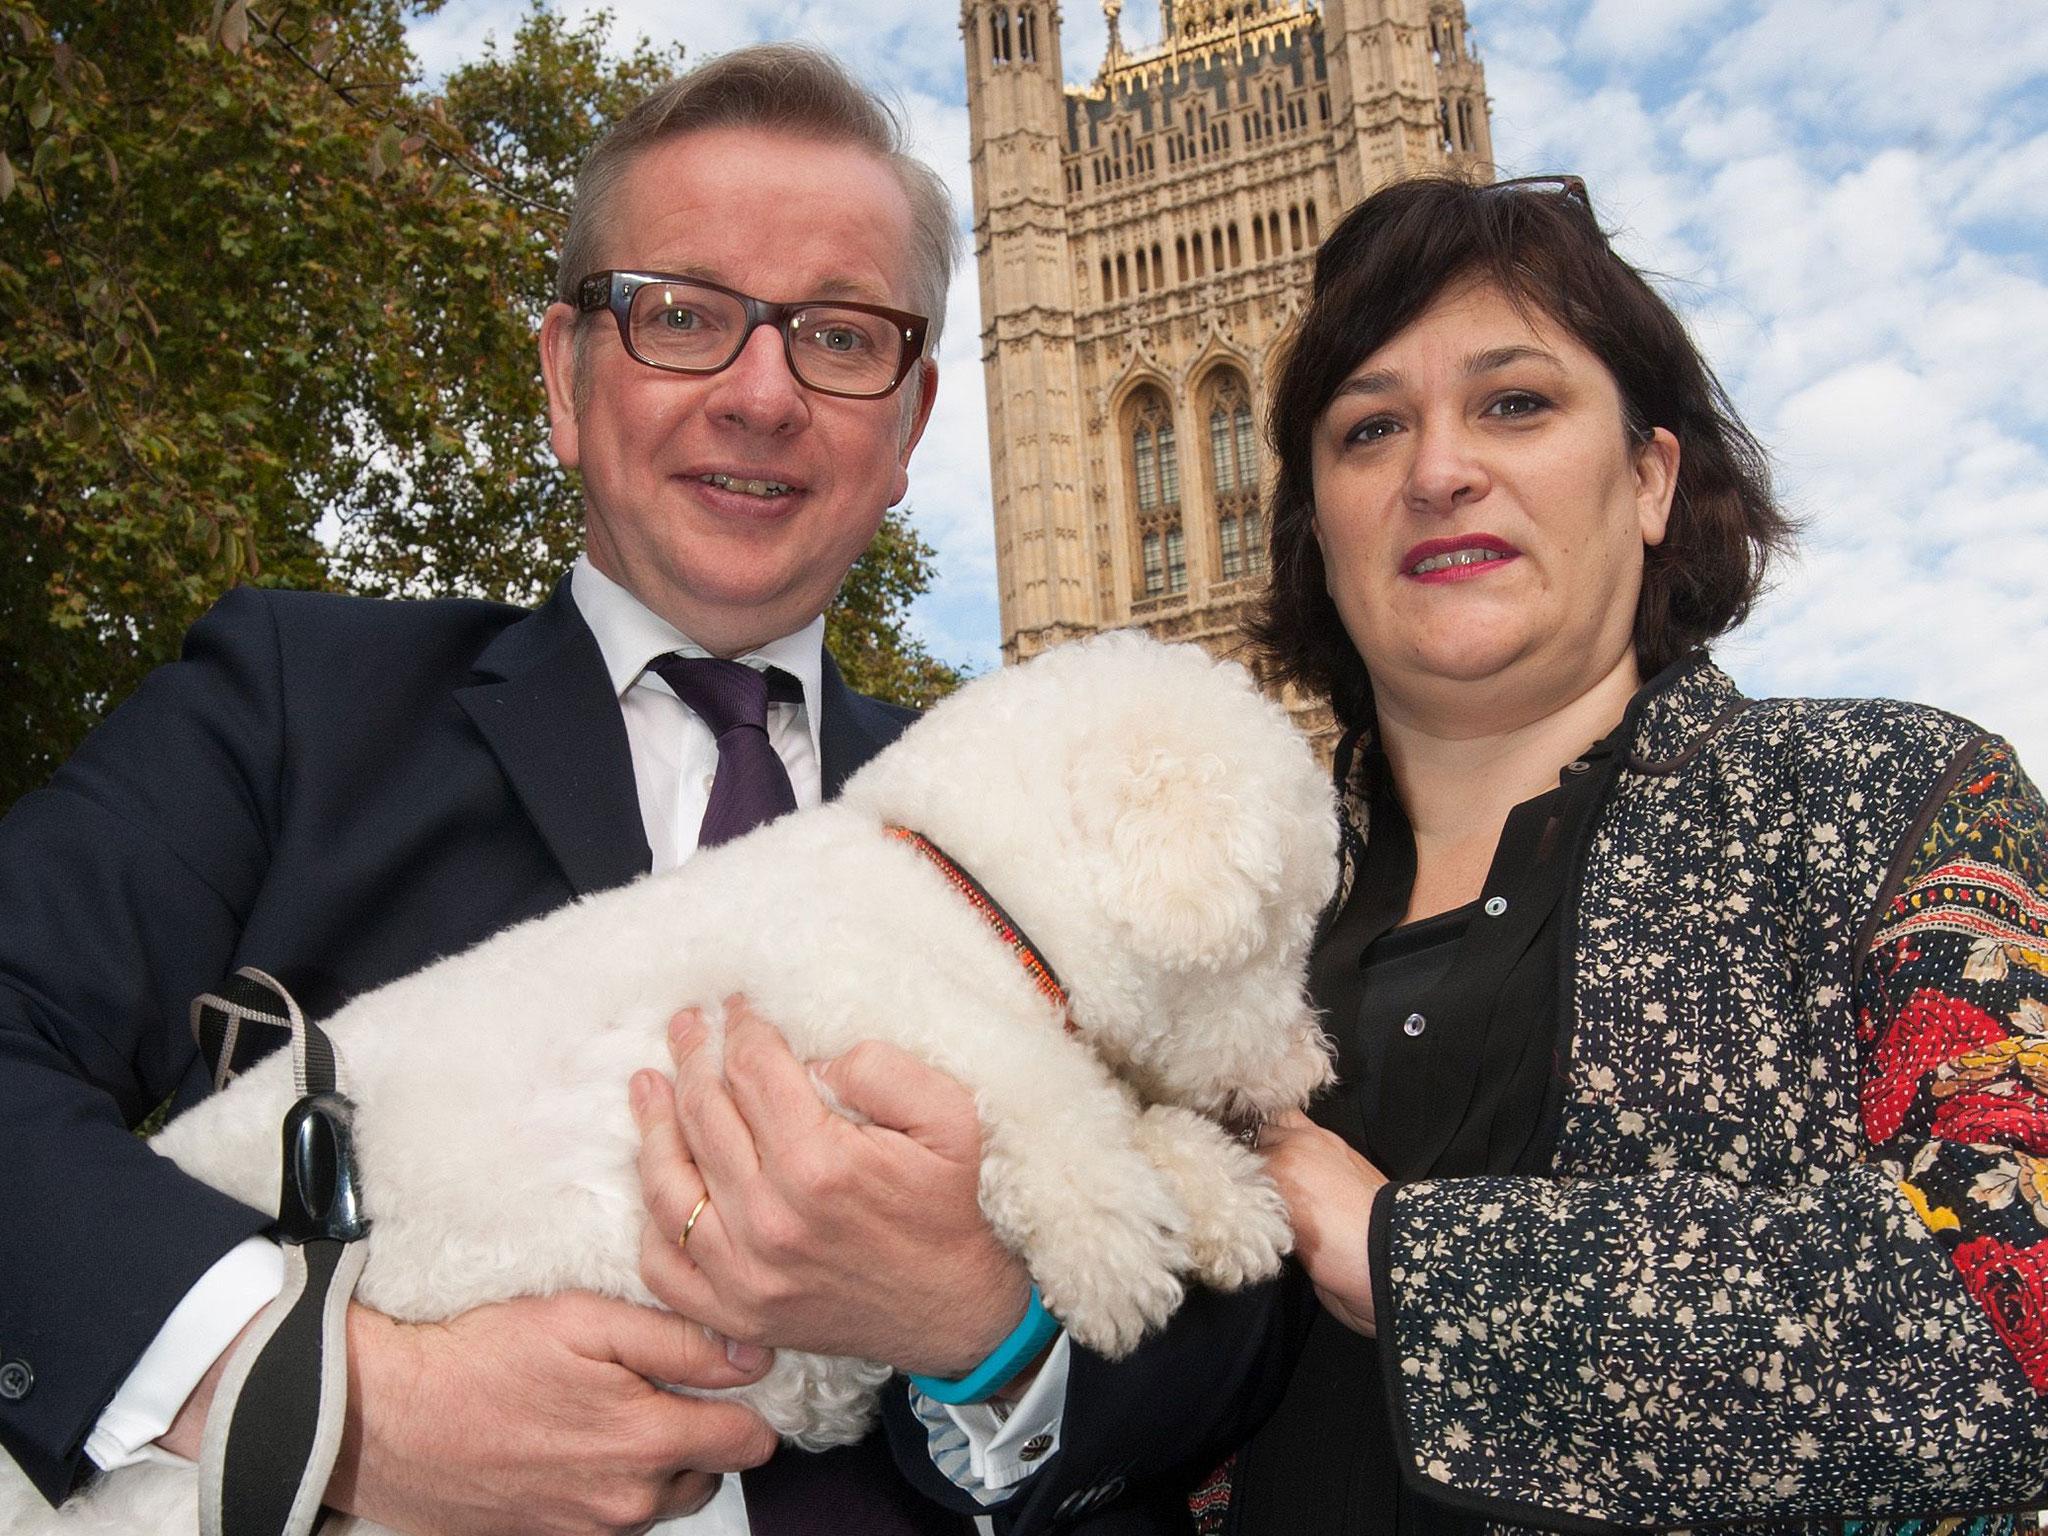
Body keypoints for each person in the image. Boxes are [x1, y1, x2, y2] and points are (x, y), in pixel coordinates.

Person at [0, 45, 1290, 1535]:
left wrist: (987, 1324)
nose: (761, 394)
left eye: (839, 335)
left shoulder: (1036, 826)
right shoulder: (296, 702)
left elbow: (1239, 1318)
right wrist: (322, 1402)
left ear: (910, 424)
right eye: (681, 316)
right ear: (565, 374)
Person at [1217, 174, 2048, 1533]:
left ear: (1652, 477)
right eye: (1371, 429)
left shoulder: (1888, 801)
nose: (1438, 470)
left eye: (1516, 403)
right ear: (1320, 523)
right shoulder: (1219, 913)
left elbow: (2019, 1305)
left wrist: (1407, 1261)